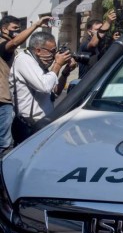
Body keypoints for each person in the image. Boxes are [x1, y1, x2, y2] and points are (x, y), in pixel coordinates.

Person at [9, 32, 75, 143]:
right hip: (27, 126)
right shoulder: (23, 60)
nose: (54, 55)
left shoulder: (39, 63)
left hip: (43, 124)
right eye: (52, 51)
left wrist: (65, 73)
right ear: (38, 50)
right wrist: (57, 64)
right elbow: (44, 86)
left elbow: (55, 92)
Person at [0, 15, 52, 153]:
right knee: (4, 143)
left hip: (7, 99)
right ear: (4, 29)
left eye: (19, 28)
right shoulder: (3, 44)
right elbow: (14, 42)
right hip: (3, 100)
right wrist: (36, 25)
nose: (17, 31)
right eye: (14, 28)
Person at [77, 10, 116, 79]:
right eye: (98, 29)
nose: (102, 32)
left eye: (103, 29)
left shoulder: (104, 43)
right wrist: (107, 22)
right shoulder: (84, 45)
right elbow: (93, 44)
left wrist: (114, 41)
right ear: (89, 32)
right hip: (85, 84)